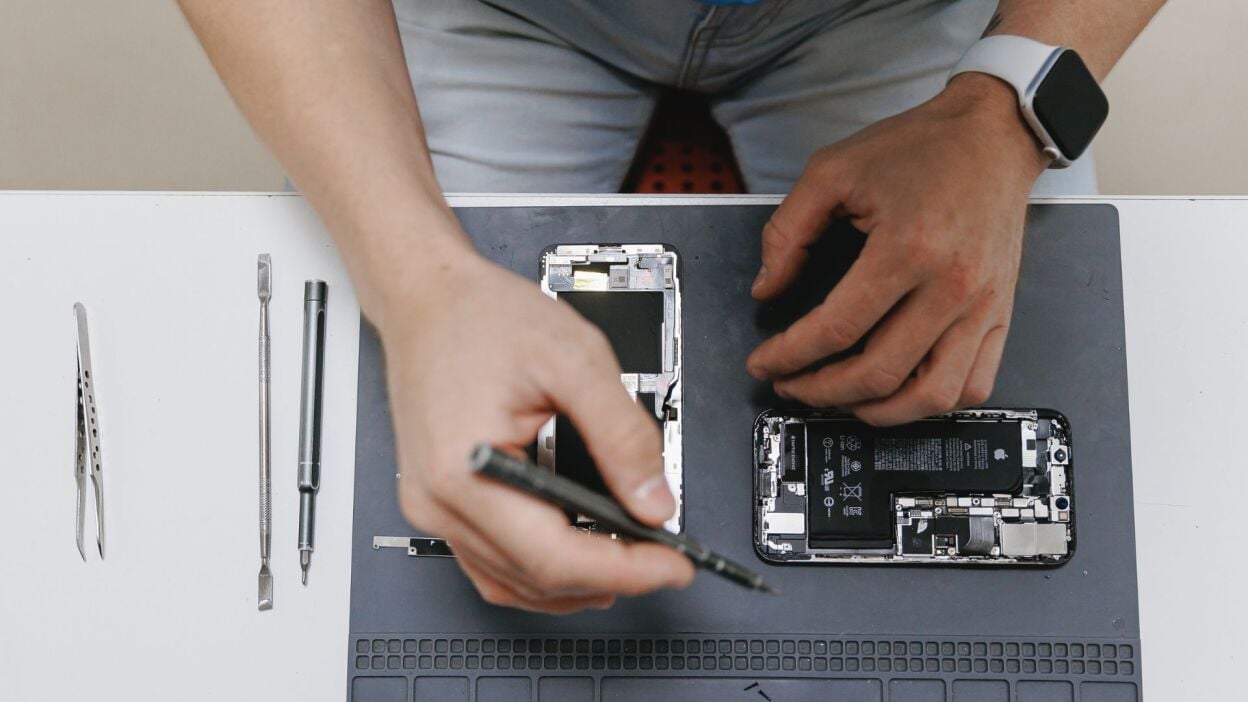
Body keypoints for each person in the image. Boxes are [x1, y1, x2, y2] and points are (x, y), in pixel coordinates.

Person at [178, 0, 1163, 613]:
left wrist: (1005, 109)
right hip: (516, 9)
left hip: (893, 13)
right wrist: (419, 286)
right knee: (422, 518)